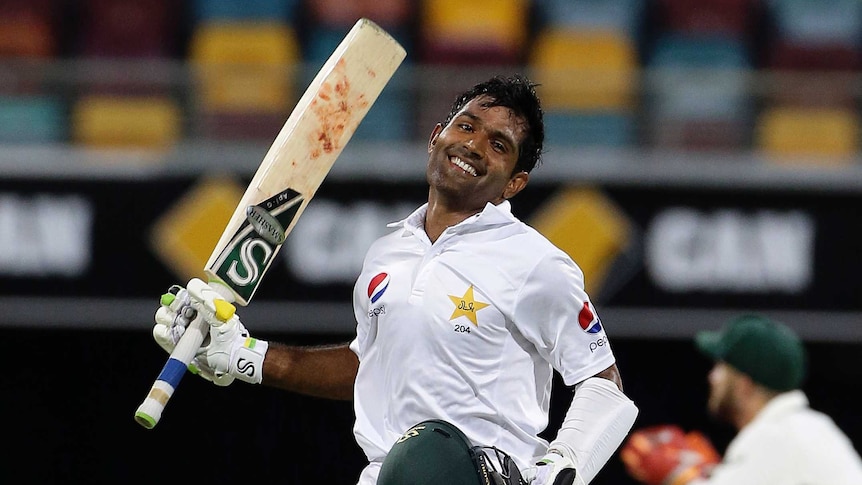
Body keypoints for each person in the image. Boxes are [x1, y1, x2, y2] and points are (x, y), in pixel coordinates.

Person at [153, 75, 638, 485]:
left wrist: (563, 466)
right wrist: (246, 355)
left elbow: (603, 383)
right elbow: (371, 365)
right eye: (465, 126)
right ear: (436, 136)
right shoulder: (388, 250)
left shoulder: (536, 263)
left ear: (515, 183)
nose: (472, 145)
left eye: (498, 145)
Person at [621, 314, 862, 485]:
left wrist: (677, 475)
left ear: (744, 384)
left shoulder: (774, 435)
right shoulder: (809, 428)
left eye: (722, 368)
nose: (712, 377)